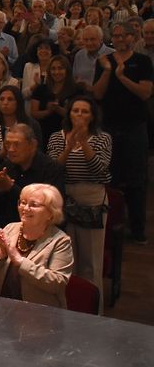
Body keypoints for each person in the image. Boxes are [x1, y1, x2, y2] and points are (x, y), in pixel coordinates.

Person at [93, 20, 152, 243]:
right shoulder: (104, 61)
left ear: (132, 37)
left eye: (123, 35)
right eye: (115, 36)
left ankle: (137, 231)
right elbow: (97, 94)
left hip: (135, 127)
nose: (119, 39)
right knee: (110, 179)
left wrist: (122, 76)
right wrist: (108, 72)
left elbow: (145, 93)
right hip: (108, 128)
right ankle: (110, 229)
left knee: (136, 181)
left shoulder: (143, 61)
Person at [47, 96, 111, 296]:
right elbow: (54, 169)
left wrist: (84, 143)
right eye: (76, 111)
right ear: (69, 114)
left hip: (91, 198)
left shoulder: (103, 138)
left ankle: (93, 307)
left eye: (85, 111)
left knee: (91, 260)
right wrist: (69, 146)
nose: (80, 115)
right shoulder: (57, 137)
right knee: (65, 257)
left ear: (92, 116)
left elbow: (99, 169)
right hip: (64, 198)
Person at [0, 184, 74, 308]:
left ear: (51, 213)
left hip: (40, 316)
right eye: (23, 202)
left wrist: (19, 261)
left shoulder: (60, 241)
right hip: (2, 308)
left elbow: (57, 283)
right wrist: (1, 254)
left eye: (33, 205)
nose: (25, 208)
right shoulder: (10, 228)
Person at [0, 124, 65, 249]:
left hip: (41, 239)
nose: (10, 149)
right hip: (8, 232)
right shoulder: (8, 165)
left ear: (32, 145)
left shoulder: (51, 169)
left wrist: (11, 188)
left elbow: (49, 207)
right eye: (7, 144)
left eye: (16, 144)